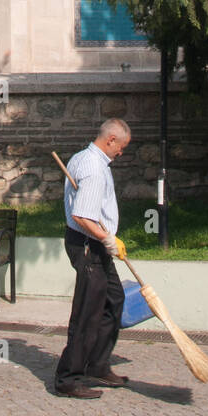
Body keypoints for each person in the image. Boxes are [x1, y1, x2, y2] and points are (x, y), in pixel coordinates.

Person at [54, 118, 131, 399]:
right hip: (88, 245)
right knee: (88, 312)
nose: (121, 152)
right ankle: (68, 378)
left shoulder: (82, 157)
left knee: (114, 299)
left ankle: (97, 364)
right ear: (111, 139)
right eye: (121, 147)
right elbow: (82, 216)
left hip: (93, 244)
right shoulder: (94, 168)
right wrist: (108, 238)